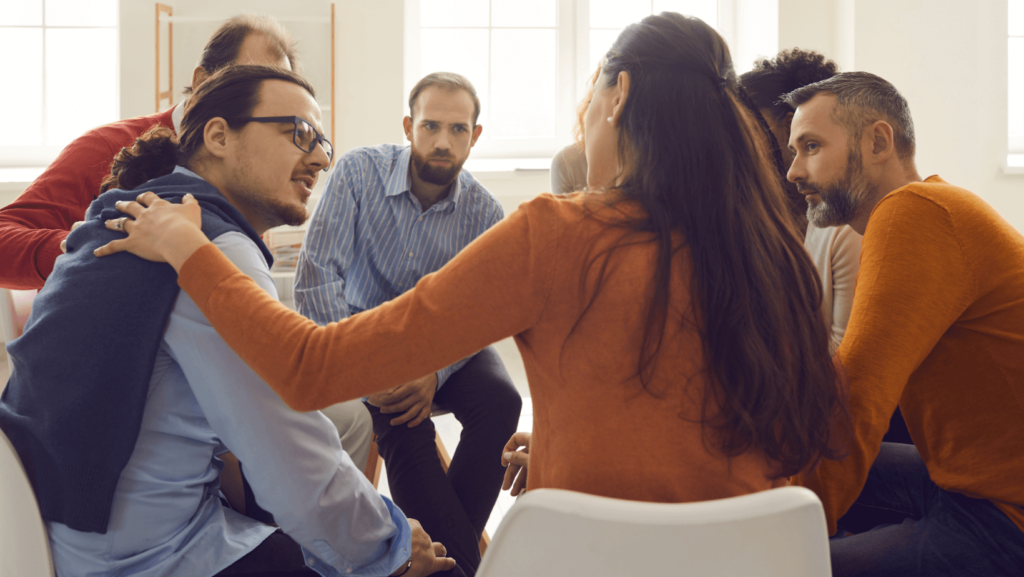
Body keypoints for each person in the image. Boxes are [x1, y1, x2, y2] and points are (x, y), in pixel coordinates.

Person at [97, 10, 844, 549]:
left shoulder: (558, 232)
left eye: (587, 100)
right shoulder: (776, 251)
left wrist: (191, 251)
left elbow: (308, 367)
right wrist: (553, 444)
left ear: (616, 95)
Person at [0, 65, 453, 577]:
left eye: (324, 145)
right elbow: (290, 456)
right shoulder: (211, 247)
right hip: (147, 557)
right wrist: (388, 547)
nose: (319, 160)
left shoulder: (121, 213)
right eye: (299, 133)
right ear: (218, 135)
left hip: (51, 535)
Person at [0, 12, 374, 477]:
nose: (313, 156)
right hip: (110, 390)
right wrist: (93, 250)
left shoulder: (254, 173)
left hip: (200, 376)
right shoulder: (107, 146)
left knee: (339, 423)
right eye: (247, 78)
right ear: (202, 84)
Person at [782, 71, 1024, 575]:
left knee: (778, 563)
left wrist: (776, 538)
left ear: (877, 141)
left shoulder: (912, 213)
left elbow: (857, 393)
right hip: (960, 482)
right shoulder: (927, 209)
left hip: (1005, 520)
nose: (793, 171)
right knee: (767, 466)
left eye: (810, 147)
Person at [294, 71, 520, 576]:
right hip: (364, 336)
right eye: (431, 126)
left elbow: (481, 313)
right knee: (403, 416)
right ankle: (465, 563)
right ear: (408, 126)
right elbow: (315, 279)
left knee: (502, 400)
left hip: (444, 342)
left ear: (475, 136)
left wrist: (435, 371)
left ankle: (445, 563)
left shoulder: (485, 212)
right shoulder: (357, 173)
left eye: (458, 130)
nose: (443, 141)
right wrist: (362, 370)